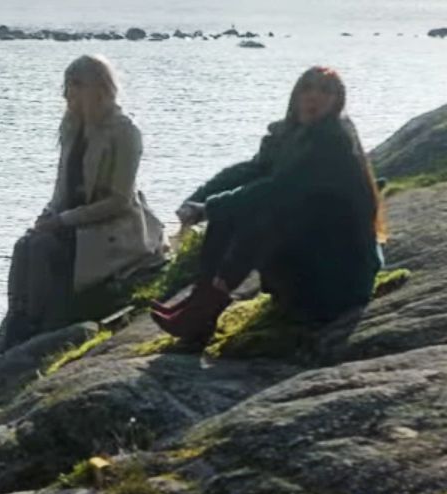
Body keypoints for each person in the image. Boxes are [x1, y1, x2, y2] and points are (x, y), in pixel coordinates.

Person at [152, 67, 386, 339]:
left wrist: (208, 208)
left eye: (325, 91)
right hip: (310, 261)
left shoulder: (332, 142)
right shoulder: (288, 135)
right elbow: (249, 171)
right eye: (307, 88)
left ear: (337, 101)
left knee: (267, 213)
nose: (314, 97)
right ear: (296, 95)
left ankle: (207, 305)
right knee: (231, 212)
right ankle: (202, 301)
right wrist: (197, 199)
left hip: (338, 276)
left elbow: (279, 189)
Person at [0, 54, 166, 351]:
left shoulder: (124, 132)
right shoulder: (72, 129)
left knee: (42, 249)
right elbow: (61, 189)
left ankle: (38, 325)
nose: (68, 93)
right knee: (24, 244)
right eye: (66, 85)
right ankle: (18, 317)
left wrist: (63, 221)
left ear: (97, 87)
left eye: (75, 84)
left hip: (109, 225)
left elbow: (119, 200)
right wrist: (48, 216)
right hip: (71, 220)